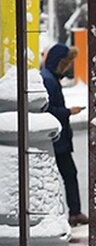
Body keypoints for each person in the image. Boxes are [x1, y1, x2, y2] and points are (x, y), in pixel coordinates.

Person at [42, 43, 86, 225]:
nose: (68, 67)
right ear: (58, 63)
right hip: (56, 139)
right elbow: (48, 110)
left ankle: (73, 212)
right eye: (66, 63)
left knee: (63, 175)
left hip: (57, 139)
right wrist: (69, 112)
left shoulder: (50, 78)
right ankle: (72, 213)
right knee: (67, 175)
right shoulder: (49, 80)